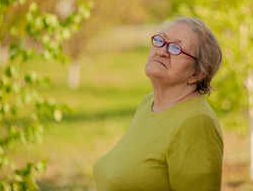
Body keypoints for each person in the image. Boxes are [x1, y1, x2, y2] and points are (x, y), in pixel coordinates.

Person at [93, 17, 223, 191]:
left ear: (197, 73)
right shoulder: (148, 103)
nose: (162, 51)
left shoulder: (196, 122)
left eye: (176, 48)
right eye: (160, 40)